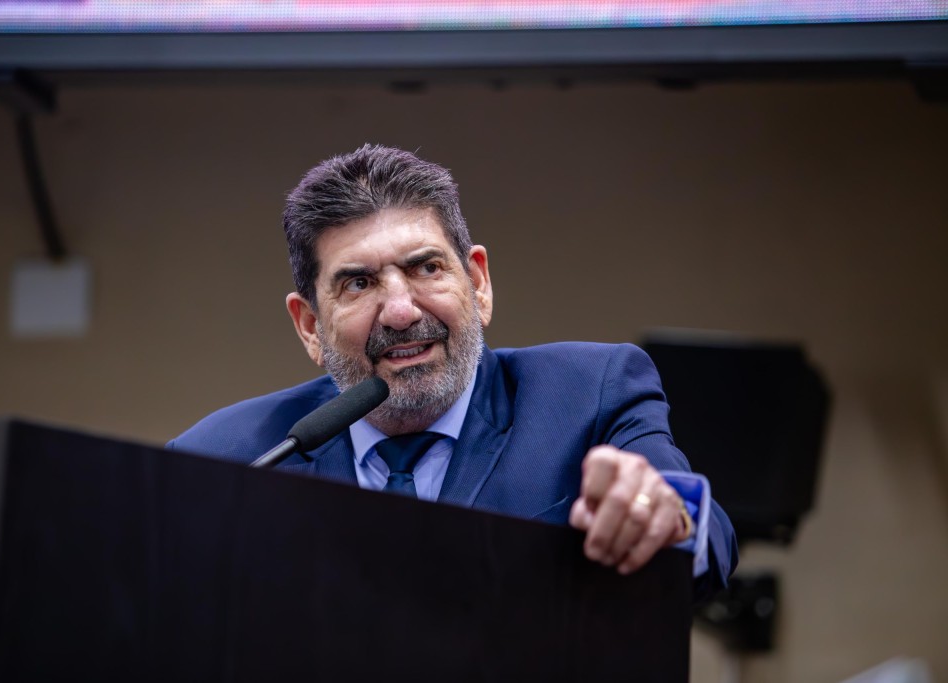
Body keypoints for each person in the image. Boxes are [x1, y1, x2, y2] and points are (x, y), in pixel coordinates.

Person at [168, 144, 737, 598]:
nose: (400, 311)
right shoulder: (227, 459)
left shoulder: (590, 393)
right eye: (359, 283)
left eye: (426, 268)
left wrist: (667, 517)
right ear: (311, 326)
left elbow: (707, 542)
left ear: (478, 283)